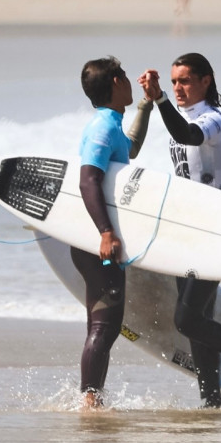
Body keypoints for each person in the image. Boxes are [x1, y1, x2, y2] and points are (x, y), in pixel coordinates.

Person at [138, 53, 221, 408]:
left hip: (214, 228)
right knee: (198, 318)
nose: (178, 88)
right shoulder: (181, 116)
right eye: (173, 82)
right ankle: (211, 400)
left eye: (184, 80)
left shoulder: (214, 121)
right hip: (188, 226)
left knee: (187, 319)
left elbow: (186, 135)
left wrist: (160, 100)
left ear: (206, 81)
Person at [74, 56, 152, 409]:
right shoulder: (103, 128)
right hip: (98, 241)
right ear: (117, 83)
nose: (129, 81)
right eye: (124, 76)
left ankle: (92, 399)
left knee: (102, 323)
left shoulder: (111, 124)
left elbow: (129, 149)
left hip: (96, 238)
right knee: (105, 324)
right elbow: (88, 179)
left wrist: (147, 106)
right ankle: (90, 401)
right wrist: (106, 232)